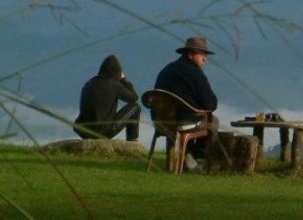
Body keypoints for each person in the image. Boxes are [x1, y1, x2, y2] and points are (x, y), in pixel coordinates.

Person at [154, 37, 219, 169]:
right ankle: (196, 159)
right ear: (190, 54)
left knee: (190, 118)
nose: (205, 58)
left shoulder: (167, 69)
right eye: (202, 54)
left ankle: (186, 158)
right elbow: (211, 104)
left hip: (161, 121)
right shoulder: (195, 73)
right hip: (183, 122)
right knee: (213, 121)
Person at [74, 54, 141, 142]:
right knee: (135, 108)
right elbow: (133, 98)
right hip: (103, 132)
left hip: (83, 131)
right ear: (118, 72)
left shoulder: (88, 84)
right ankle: (132, 141)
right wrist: (124, 79)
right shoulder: (114, 85)